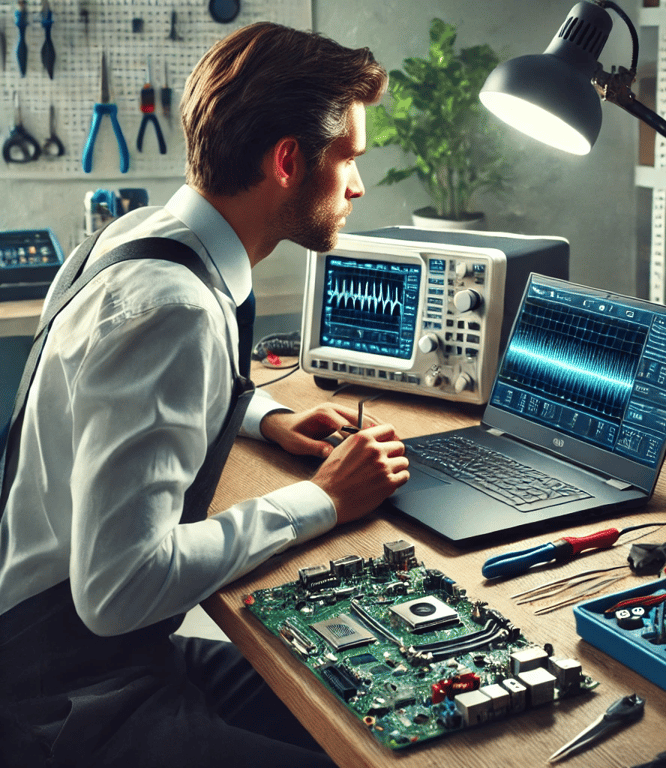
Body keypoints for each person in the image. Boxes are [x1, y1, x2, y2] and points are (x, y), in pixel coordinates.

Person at [0, 22, 408, 768]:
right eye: (348, 157)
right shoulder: (174, 309)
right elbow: (120, 589)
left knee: (364, 711)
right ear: (289, 160)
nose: (356, 185)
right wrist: (323, 499)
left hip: (86, 658)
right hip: (61, 701)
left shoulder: (135, 239)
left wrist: (265, 416)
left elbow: (106, 392)